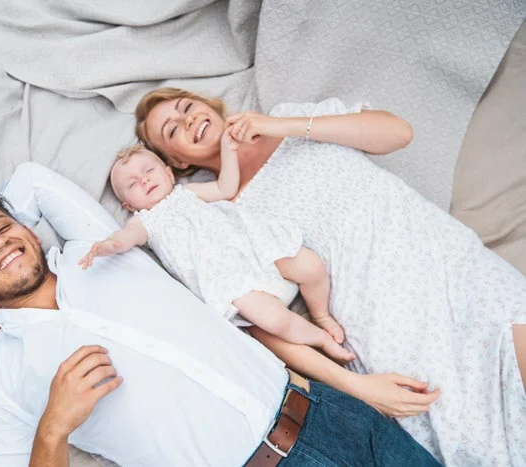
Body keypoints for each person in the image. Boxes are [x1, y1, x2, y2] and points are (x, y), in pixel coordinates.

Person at [0, 161, 440, 466]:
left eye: (2, 226)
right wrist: (53, 427)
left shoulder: (95, 250)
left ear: (27, 229)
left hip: (330, 412)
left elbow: (32, 178)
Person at [136, 87, 526, 465]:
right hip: (386, 326)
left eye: (187, 107)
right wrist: (358, 388)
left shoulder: (287, 117)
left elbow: (397, 133)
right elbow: (261, 323)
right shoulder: (213, 216)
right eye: (172, 130)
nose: (188, 120)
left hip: (451, 267)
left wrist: (279, 126)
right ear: (176, 162)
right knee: (477, 441)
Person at [78, 143, 354, 363]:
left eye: (148, 170)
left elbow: (225, 188)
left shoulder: (188, 192)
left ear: (169, 173)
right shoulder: (145, 222)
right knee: (276, 321)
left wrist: (228, 151)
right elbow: (126, 238)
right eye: (132, 184)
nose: (144, 180)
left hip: (255, 248)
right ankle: (320, 337)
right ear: (128, 205)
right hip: (229, 281)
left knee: (312, 267)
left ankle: (321, 314)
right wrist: (109, 245)